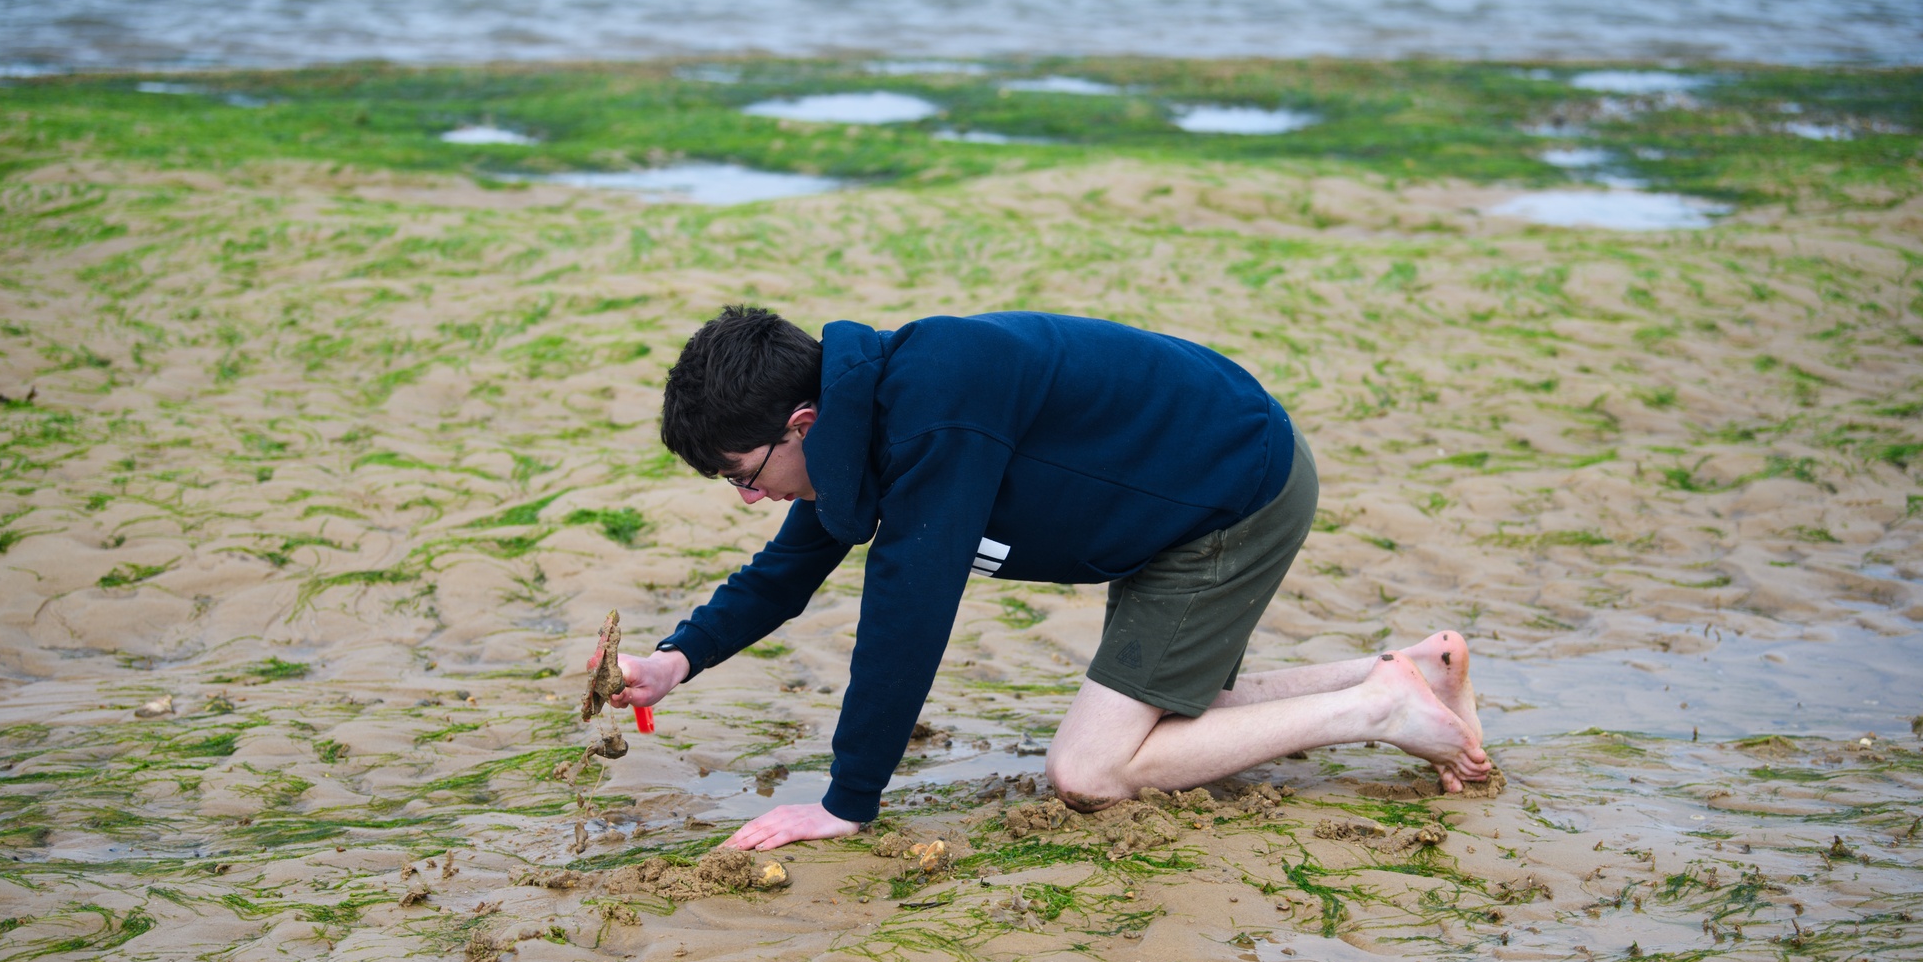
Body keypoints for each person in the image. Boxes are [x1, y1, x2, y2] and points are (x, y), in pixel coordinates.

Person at [590, 306, 1491, 851]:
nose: (751, 498)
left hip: (1232, 492)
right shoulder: (863, 424)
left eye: (744, 474)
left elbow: (906, 615)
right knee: (1174, 718)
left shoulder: (931, 419)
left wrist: (845, 802)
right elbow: (788, 569)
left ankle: (1378, 709)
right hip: (1177, 498)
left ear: (802, 422)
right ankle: (1416, 668)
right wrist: (676, 659)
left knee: (1090, 769)